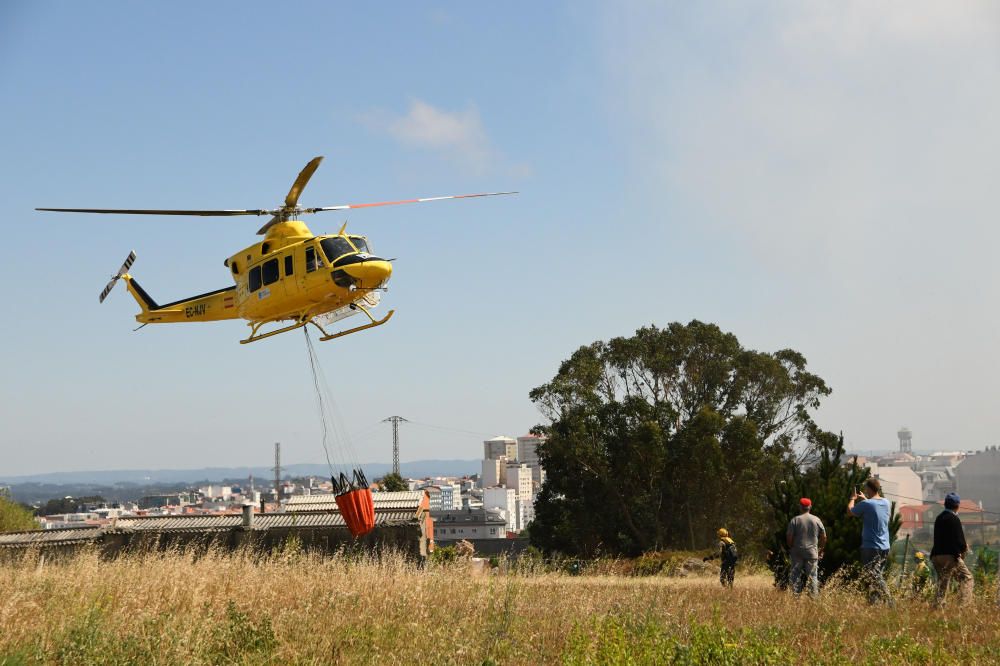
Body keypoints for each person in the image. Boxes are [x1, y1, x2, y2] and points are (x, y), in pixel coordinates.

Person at [848, 477, 894, 606]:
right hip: (885, 545)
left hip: (871, 546)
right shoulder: (886, 502)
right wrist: (865, 499)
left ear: (868, 488)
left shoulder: (866, 504)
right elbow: (875, 508)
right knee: (875, 575)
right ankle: (874, 603)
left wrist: (852, 498)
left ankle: (889, 601)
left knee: (873, 574)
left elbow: (850, 512)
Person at [930, 492, 972, 607]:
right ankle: (963, 606)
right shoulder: (954, 519)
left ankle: (937, 606)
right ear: (957, 505)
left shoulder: (939, 518)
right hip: (949, 556)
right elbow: (960, 541)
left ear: (945, 504)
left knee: (943, 581)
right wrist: (963, 550)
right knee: (967, 578)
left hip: (935, 556)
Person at [787, 497, 826, 596]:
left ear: (800, 507)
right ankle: (814, 599)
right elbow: (824, 536)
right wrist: (821, 550)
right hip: (812, 552)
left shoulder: (795, 520)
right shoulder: (816, 519)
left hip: (797, 552)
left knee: (795, 576)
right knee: (812, 577)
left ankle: (795, 599)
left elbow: (789, 537)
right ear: (810, 507)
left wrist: (791, 547)